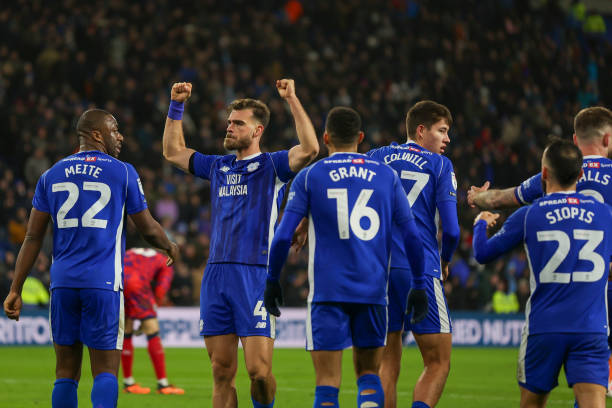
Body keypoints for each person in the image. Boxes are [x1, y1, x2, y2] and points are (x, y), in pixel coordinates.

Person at [3, 109, 179, 408]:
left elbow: (32, 238)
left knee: (65, 373)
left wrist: (15, 288)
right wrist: (169, 245)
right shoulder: (122, 171)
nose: (119, 135)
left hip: (62, 285)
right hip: (103, 284)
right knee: (106, 372)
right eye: (114, 129)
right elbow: (147, 228)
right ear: (96, 134)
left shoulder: (51, 174)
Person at [162, 80, 318, 408]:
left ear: (257, 130)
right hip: (217, 276)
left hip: (255, 275)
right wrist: (176, 105)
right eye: (229, 121)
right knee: (221, 372)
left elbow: (310, 149)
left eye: (238, 123)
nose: (229, 127)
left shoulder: (272, 166)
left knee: (259, 371)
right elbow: (173, 152)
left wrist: (291, 97)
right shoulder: (218, 166)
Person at [264, 106, 429, 408]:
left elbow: (281, 237)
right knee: (369, 375)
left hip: (328, 293)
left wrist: (272, 280)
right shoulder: (386, 176)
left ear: (326, 137)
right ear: (361, 138)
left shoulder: (310, 176)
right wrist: (419, 284)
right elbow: (413, 237)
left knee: (327, 384)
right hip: (373, 292)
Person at [467, 106, 612, 394]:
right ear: (607, 140)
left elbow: (501, 199)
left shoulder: (539, 196)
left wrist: (478, 198)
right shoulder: (602, 212)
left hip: (554, 306)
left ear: (573, 140)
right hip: (597, 295)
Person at [367, 101, 460, 408]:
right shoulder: (440, 165)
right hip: (418, 268)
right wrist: (445, 259)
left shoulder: (377, 157)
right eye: (442, 131)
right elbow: (452, 230)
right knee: (438, 362)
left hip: (378, 271)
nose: (447, 139)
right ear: (421, 131)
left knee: (386, 363)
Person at [121, 247, 184, 395]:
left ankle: (128, 382)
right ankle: (163, 384)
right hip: (139, 286)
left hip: (120, 283)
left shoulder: (131, 252)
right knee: (152, 330)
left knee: (127, 331)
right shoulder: (164, 261)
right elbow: (162, 287)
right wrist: (154, 304)